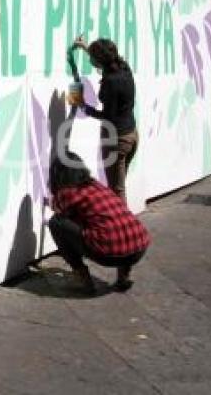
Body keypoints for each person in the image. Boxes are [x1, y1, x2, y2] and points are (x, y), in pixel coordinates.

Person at [48, 151, 151, 294]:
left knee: (56, 223)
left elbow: (57, 209)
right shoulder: (96, 185)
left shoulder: (67, 192)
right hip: (139, 246)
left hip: (108, 253)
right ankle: (124, 276)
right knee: (115, 228)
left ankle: (82, 279)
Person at [71, 36, 138, 203]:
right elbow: (105, 61)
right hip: (131, 136)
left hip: (117, 140)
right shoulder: (123, 68)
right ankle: (122, 225)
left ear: (98, 60)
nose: (90, 60)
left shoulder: (110, 82)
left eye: (91, 57)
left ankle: (122, 228)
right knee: (119, 187)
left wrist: (85, 107)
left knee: (117, 192)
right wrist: (86, 47)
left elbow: (108, 116)